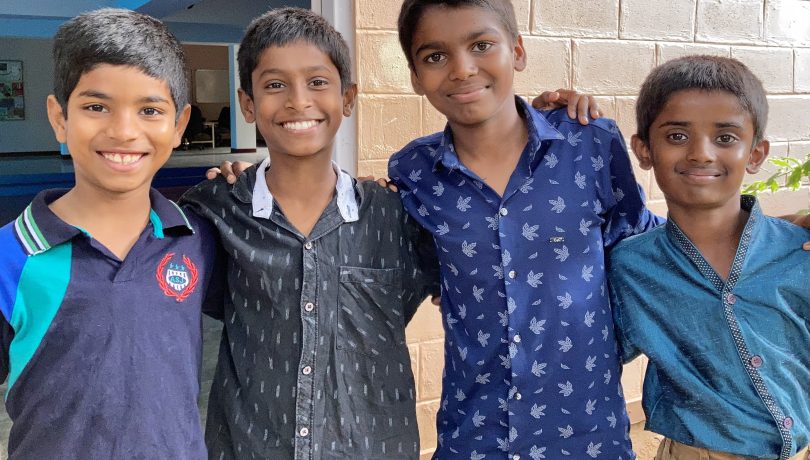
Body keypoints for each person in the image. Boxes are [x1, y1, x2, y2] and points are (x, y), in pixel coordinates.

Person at [387, 0, 663, 458]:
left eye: (481, 45)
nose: (462, 69)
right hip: (475, 434)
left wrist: (770, 233)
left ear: (517, 51)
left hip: (586, 433)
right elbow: (430, 272)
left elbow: (645, 242)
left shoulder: (588, 143)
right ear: (416, 76)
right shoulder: (415, 171)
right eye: (435, 56)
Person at [179, 8, 440, 459]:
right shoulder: (215, 210)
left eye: (318, 82)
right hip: (249, 447)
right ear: (247, 102)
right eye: (275, 84)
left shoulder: (395, 216)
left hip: (372, 447)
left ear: (348, 98)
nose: (298, 101)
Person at [0, 9, 223, 459]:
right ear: (59, 117)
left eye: (149, 110)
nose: (123, 131)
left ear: (178, 125)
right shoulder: (11, 256)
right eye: (96, 106)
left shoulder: (197, 238)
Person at [608, 55, 810, 460]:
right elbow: (586, 353)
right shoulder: (629, 267)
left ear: (755, 153)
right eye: (677, 136)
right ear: (644, 150)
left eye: (725, 138)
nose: (701, 153)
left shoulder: (798, 252)